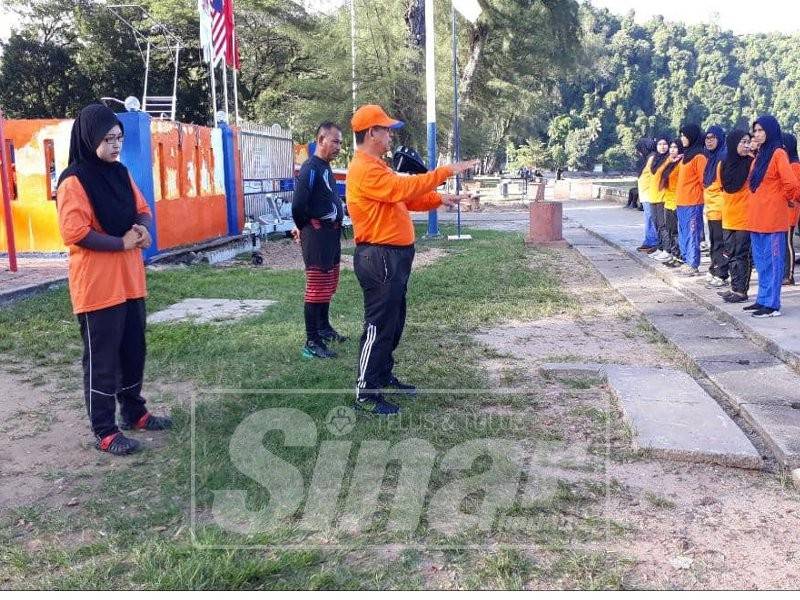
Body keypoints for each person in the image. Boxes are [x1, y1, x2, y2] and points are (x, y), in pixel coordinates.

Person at [57, 103, 172, 456]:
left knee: (133, 350)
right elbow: (75, 231)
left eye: (119, 137)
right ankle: (104, 430)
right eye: (107, 139)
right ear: (89, 139)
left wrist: (142, 229)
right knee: (103, 360)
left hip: (130, 282)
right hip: (98, 287)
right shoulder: (74, 181)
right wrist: (120, 243)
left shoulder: (120, 174)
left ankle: (134, 412)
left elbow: (142, 209)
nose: (115, 145)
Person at [346, 104, 476, 416]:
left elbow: (405, 198)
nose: (391, 135)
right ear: (372, 133)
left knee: (393, 323)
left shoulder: (377, 167)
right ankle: (366, 391)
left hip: (392, 257)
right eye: (386, 130)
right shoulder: (365, 169)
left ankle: (381, 376)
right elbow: (403, 187)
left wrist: (440, 198)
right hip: (380, 257)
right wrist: (443, 173)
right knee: (379, 325)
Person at [291, 122, 347, 359]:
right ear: (321, 139)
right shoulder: (310, 168)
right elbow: (297, 206)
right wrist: (305, 229)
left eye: (340, 143)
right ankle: (312, 341)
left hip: (330, 235)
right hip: (317, 235)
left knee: (329, 283)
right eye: (335, 141)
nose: (339, 147)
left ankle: (323, 328)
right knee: (316, 287)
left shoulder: (325, 168)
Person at [744, 115, 800, 317]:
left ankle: (772, 304)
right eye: (755, 131)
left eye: (761, 130)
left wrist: (783, 199)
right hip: (756, 218)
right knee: (761, 263)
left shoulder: (778, 153)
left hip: (773, 219)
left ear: (770, 131)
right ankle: (762, 299)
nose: (757, 134)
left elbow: (791, 184)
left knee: (774, 263)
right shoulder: (760, 156)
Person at [717, 129, 754, 303]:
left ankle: (741, 291)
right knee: (730, 254)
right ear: (733, 143)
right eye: (743, 142)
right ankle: (734, 287)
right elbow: (721, 188)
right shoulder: (722, 164)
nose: (747, 146)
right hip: (728, 216)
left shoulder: (752, 163)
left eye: (748, 142)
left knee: (741, 254)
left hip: (745, 217)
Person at [675, 124, 708, 276]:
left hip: (693, 202)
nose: (682, 138)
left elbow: (704, 181)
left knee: (692, 233)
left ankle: (693, 263)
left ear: (692, 137)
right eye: (681, 135)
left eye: (685, 136)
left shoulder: (699, 156)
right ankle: (687, 260)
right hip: (681, 202)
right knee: (683, 233)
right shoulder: (685, 156)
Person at [703, 125, 728, 287]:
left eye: (713, 138)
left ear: (720, 139)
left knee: (721, 242)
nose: (709, 141)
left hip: (721, 208)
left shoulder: (723, 157)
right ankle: (714, 268)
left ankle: (722, 273)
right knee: (714, 241)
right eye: (707, 138)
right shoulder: (711, 158)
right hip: (711, 209)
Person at [654, 138, 684, 267]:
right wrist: (668, 161)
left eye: (675, 147)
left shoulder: (682, 163)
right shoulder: (670, 163)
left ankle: (679, 256)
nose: (672, 150)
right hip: (668, 202)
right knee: (671, 231)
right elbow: (658, 178)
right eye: (671, 147)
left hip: (678, 202)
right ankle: (674, 254)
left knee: (678, 232)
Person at [646, 136, 670, 260]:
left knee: (663, 225)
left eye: (665, 144)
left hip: (663, 197)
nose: (662, 147)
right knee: (656, 224)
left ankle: (667, 249)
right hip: (653, 196)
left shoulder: (669, 159)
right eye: (660, 144)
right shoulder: (653, 159)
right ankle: (660, 248)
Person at [781, 132, 800, 285]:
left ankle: (789, 275)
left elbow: (796, 190)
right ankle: (784, 272)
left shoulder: (794, 166)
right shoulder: (787, 164)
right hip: (783, 209)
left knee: (788, 242)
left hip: (791, 208)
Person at [636, 138, 659, 253]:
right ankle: (649, 241)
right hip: (645, 194)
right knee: (648, 219)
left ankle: (653, 242)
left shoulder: (652, 158)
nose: (639, 153)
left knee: (651, 219)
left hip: (651, 194)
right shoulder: (647, 159)